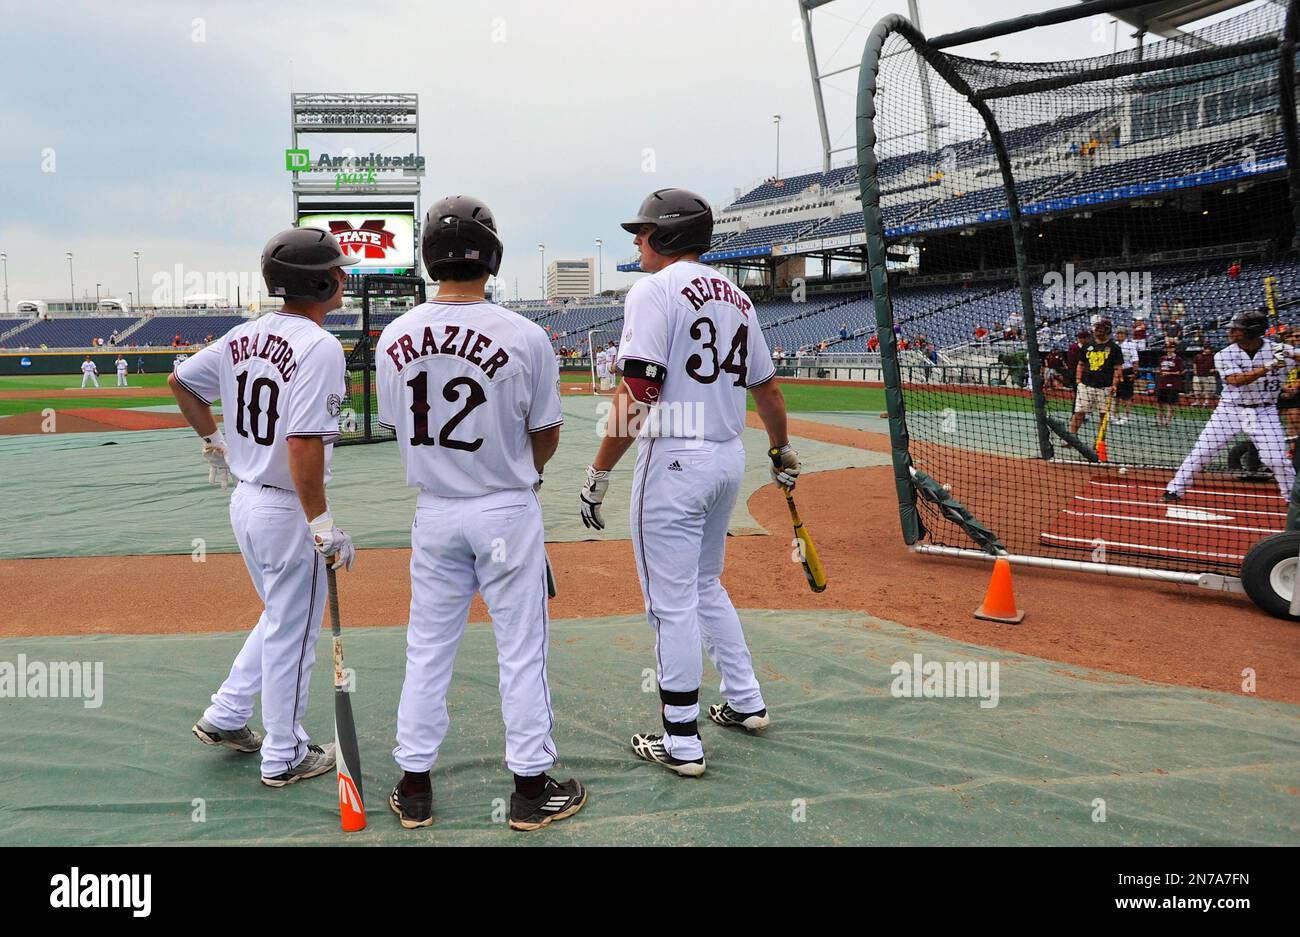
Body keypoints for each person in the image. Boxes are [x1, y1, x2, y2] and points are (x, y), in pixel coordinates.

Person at [375, 196, 586, 833]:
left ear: (428, 257)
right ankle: (529, 787)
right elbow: (544, 433)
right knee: (520, 649)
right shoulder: (525, 334)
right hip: (504, 508)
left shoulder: (393, 334)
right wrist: (525, 476)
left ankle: (414, 787)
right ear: (491, 256)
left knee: (427, 648)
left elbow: (397, 425)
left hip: (434, 513)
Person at [579, 187, 796, 778]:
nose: (636, 240)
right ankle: (747, 700)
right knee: (705, 584)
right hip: (728, 456)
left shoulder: (653, 290)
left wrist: (600, 470)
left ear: (668, 237)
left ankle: (682, 740)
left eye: (643, 232)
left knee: (670, 602)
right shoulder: (740, 297)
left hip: (673, 457)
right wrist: (780, 452)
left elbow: (640, 393)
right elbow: (769, 392)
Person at [171, 226, 356, 787]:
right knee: (293, 631)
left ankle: (226, 716)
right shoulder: (319, 345)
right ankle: (285, 754)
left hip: (248, 500)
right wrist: (320, 521)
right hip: (284, 507)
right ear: (321, 280)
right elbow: (302, 442)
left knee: (282, 616)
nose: (345, 276)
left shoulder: (242, 335)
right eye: (338, 268)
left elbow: (181, 383)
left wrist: (213, 442)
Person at [1164, 311, 1300, 503]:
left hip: (1264, 411)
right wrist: (1270, 365)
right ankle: (1174, 489)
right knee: (1202, 452)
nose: (1231, 332)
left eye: (1237, 329)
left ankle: (1292, 499)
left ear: (1253, 331)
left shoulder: (1278, 349)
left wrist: (1290, 353)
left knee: (1276, 460)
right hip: (1229, 411)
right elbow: (1236, 380)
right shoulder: (1225, 354)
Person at [1068, 319, 1122, 436]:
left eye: (1100, 328)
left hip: (1105, 387)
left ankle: (1099, 441)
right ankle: (1071, 437)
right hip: (1086, 385)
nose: (1097, 331)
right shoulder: (1088, 346)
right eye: (1097, 328)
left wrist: (1114, 384)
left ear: (1107, 330)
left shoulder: (1114, 348)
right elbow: (1081, 364)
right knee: (1079, 412)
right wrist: (1078, 380)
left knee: (1103, 415)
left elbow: (1118, 368)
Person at [1154, 338, 1184, 427]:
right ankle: (1160, 422)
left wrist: (1169, 373)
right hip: (1162, 383)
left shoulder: (1178, 359)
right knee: (1159, 403)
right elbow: (1160, 369)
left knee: (1171, 404)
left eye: (1171, 347)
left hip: (1173, 384)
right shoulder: (1162, 358)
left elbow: (1181, 372)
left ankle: (1168, 422)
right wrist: (1159, 371)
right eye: (1167, 347)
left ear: (1174, 348)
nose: (1169, 349)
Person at [1114, 326, 1139, 423]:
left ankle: (1125, 416)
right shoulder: (1114, 345)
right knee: (1116, 394)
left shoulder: (1130, 345)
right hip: (1115, 371)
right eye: (1118, 333)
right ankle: (1114, 415)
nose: (1120, 335)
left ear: (1125, 335)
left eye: (1122, 334)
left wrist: (1135, 373)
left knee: (1127, 395)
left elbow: (1135, 360)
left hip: (1126, 371)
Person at [1191, 342, 1216, 407]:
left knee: (1207, 390)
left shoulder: (1213, 356)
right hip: (1198, 375)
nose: (1208, 350)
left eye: (1209, 349)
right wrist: (1195, 370)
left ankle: (1206, 402)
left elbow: (1218, 365)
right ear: (1204, 349)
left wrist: (1214, 369)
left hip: (1208, 375)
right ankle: (1197, 402)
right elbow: (1194, 363)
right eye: (1207, 349)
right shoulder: (1198, 356)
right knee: (1196, 389)